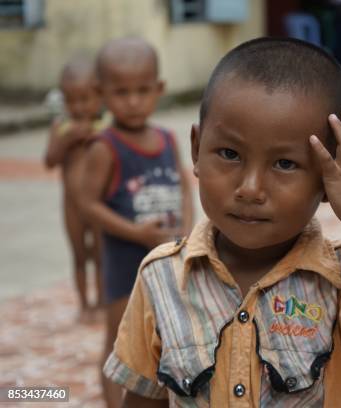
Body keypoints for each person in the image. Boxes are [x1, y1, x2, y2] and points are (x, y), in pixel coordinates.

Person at [103, 37, 341, 407]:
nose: (250, 189)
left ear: (328, 178)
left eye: (284, 164)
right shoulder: (161, 278)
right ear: (196, 149)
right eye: (229, 154)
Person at [79, 37, 193, 408]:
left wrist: (188, 233)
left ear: (159, 89)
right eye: (121, 92)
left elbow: (183, 187)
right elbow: (87, 204)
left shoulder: (166, 139)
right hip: (125, 262)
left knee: (161, 336)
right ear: (101, 93)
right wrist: (136, 233)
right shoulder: (104, 146)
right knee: (119, 343)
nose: (133, 101)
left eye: (143, 91)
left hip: (167, 258)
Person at [43, 57, 108, 324]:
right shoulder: (61, 128)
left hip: (100, 203)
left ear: (100, 96)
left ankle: (103, 302)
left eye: (85, 99)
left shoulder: (105, 128)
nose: (79, 107)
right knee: (79, 255)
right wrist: (65, 141)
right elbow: (49, 161)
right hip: (72, 205)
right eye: (71, 100)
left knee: (102, 255)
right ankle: (84, 304)